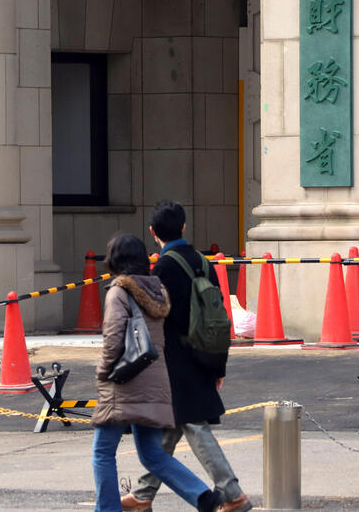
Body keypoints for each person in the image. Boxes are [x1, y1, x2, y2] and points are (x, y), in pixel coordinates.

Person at [121, 201, 251, 512]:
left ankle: (232, 494)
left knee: (193, 424)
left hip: (175, 360)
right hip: (203, 354)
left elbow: (155, 317)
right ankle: (142, 494)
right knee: (173, 426)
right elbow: (217, 315)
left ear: (153, 233)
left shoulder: (164, 267)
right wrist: (217, 363)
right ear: (183, 227)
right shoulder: (203, 263)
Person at [92, 232, 222, 512]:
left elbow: (113, 340)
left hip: (124, 383)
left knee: (102, 452)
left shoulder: (118, 292)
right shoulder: (156, 290)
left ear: (114, 261)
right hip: (155, 382)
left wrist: (102, 372)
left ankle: (107, 510)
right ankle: (204, 496)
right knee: (153, 454)